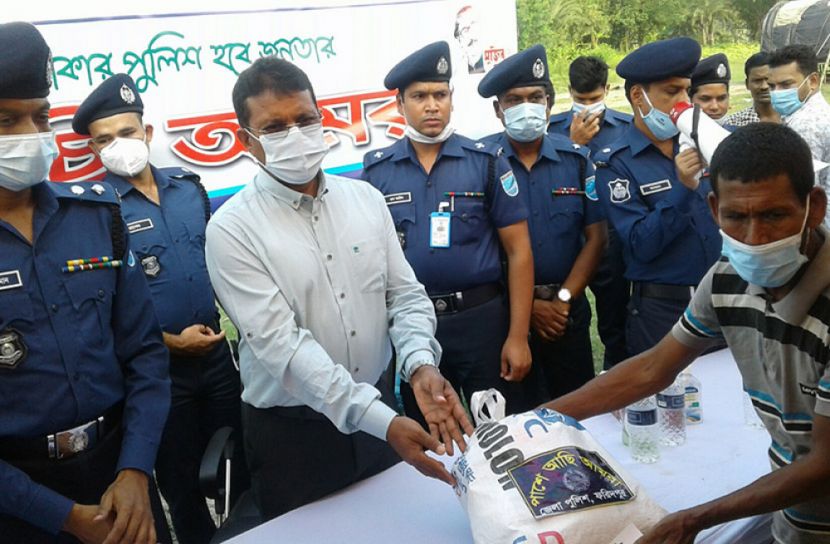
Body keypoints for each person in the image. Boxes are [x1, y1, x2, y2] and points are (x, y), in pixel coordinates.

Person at [204, 56, 472, 521]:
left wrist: (420, 364)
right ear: (248, 140)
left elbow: (405, 295)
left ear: (321, 117)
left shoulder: (365, 200)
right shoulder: (232, 230)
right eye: (275, 127)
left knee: (400, 526)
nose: (294, 134)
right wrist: (381, 421)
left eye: (304, 120)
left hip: (384, 418)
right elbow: (282, 349)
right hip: (294, 436)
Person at [544, 122, 830, 544]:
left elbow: (824, 465)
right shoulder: (727, 277)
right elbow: (654, 369)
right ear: (714, 209)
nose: (755, 238)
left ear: (815, 207)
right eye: (736, 217)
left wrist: (694, 518)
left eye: (773, 215)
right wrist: (541, 418)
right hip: (794, 520)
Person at [0, 22, 171, 544]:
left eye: (40, 116)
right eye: (7, 119)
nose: (31, 135)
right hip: (20, 502)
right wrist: (63, 516)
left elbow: (144, 353)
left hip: (122, 480)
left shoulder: (96, 216)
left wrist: (136, 471)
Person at [72, 73, 245, 544]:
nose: (118, 146)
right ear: (93, 151)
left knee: (244, 472)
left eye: (126, 133)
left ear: (147, 134)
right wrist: (169, 343)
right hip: (157, 376)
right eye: (104, 140)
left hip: (218, 361)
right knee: (183, 489)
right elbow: (104, 312)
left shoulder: (190, 189)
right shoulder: (96, 212)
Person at [362, 41, 536, 414]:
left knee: (498, 427)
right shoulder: (378, 172)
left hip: (482, 322)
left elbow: (519, 251)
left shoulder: (486, 162)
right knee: (433, 434)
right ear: (399, 105)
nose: (431, 105)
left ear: (451, 99)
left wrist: (518, 337)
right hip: (415, 329)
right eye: (419, 96)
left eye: (440, 94)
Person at [477, 45, 607, 402]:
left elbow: (596, 238)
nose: (526, 106)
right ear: (498, 109)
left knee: (577, 411)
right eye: (514, 99)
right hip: (507, 317)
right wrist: (527, 308)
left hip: (566, 313)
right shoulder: (482, 163)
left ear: (550, 103)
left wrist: (563, 298)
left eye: (535, 97)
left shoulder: (577, 160)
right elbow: (480, 246)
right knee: (518, 419)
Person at [593, 37, 722, 357]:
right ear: (639, 96)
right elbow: (639, 243)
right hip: (665, 312)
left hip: (721, 301)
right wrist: (682, 188)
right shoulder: (615, 162)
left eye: (686, 91)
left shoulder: (699, 141)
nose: (683, 102)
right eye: (671, 92)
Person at [548, 55, 633, 368]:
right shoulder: (553, 130)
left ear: (607, 90)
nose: (587, 106)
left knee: (616, 323)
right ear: (569, 91)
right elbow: (547, 180)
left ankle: (617, 378)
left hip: (613, 240)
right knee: (566, 319)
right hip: (570, 241)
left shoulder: (626, 128)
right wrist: (573, 144)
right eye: (580, 99)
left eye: (594, 99)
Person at [768, 44, 830, 226]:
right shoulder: (819, 113)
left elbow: (803, 192)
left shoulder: (807, 124)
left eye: (786, 84)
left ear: (812, 81)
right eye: (772, 86)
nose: (777, 93)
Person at [722, 52, 781, 127]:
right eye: (757, 81)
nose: (764, 86)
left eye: (768, 80)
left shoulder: (793, 119)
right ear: (747, 84)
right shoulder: (733, 123)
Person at [690, 53, 731, 124]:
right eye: (705, 99)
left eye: (721, 98)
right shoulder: (677, 133)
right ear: (690, 99)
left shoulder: (737, 130)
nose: (714, 107)